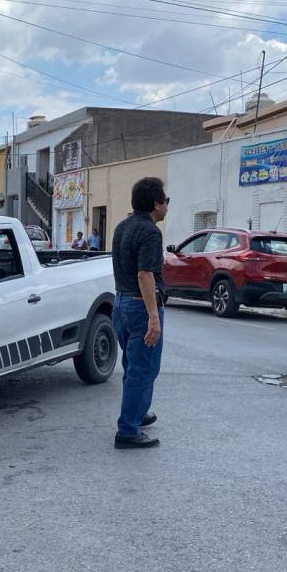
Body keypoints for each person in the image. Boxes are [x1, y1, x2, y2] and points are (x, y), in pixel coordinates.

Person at [110, 177, 169, 449]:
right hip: (140, 305)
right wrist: (153, 317)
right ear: (156, 204)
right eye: (166, 201)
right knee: (143, 370)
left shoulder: (122, 227)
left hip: (121, 304)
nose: (167, 205)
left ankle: (137, 412)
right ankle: (128, 430)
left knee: (133, 366)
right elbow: (145, 274)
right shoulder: (150, 232)